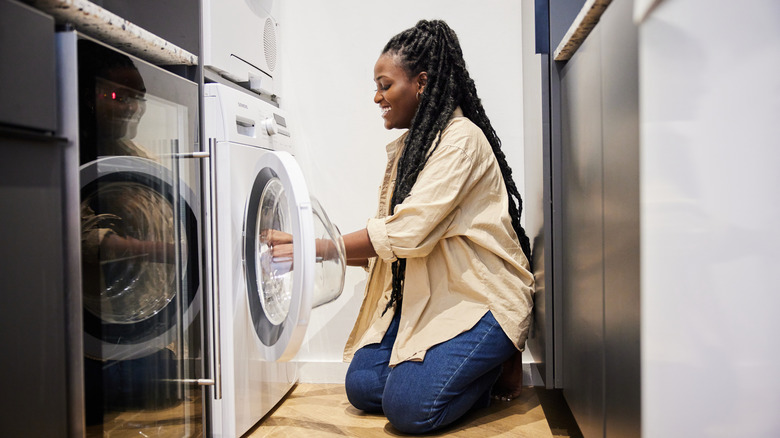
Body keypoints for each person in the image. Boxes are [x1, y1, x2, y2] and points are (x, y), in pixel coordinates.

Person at [339, 19, 534, 434]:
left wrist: (317, 248)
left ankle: (493, 363)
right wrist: (319, 250)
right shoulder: (410, 147)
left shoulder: (461, 139)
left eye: (385, 85)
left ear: (422, 82)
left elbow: (406, 234)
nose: (377, 97)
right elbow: (394, 238)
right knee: (361, 386)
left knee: (408, 409)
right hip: (433, 300)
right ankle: (445, 373)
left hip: (481, 300)